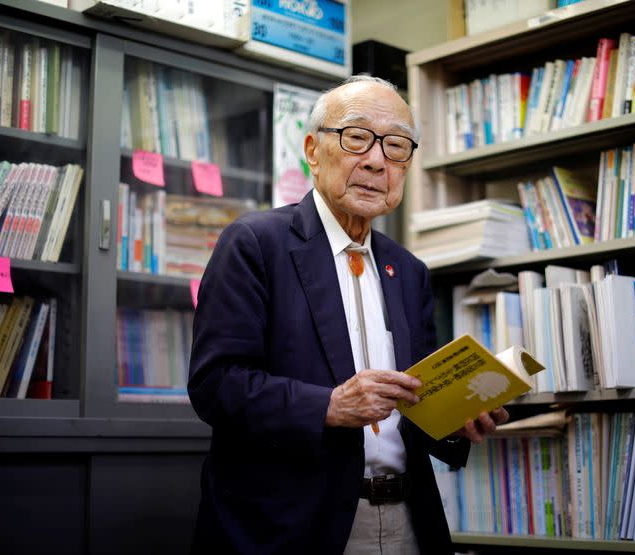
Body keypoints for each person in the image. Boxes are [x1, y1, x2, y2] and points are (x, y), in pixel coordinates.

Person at [187, 75, 508, 554]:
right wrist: (329, 406)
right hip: (290, 525)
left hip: (407, 520)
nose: (377, 160)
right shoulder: (255, 243)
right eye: (358, 137)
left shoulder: (410, 270)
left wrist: (453, 420)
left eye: (396, 145)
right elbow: (216, 384)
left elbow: (414, 399)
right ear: (313, 150)